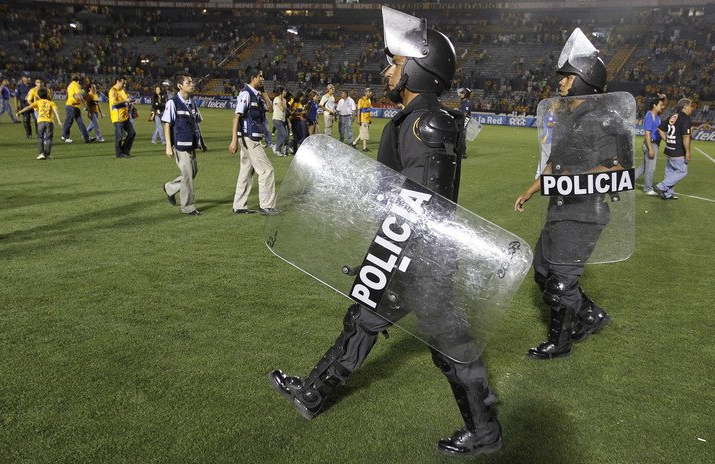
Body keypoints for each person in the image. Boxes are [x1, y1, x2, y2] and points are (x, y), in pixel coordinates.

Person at [269, 8, 503, 457]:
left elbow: (423, 204)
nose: (387, 70)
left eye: (396, 62)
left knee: (451, 347)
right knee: (362, 321)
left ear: (418, 69)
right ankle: (313, 392)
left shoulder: (426, 123)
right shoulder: (415, 119)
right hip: (403, 252)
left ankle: (485, 429)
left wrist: (388, 254)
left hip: (421, 259)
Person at [514, 29, 625, 361]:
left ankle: (559, 343)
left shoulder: (603, 121)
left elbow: (617, 172)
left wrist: (576, 175)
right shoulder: (566, 119)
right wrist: (530, 190)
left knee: (560, 281)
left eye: (567, 77)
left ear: (584, 80)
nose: (560, 83)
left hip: (584, 213)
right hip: (560, 209)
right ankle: (591, 315)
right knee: (542, 270)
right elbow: (553, 166)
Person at [228, 69, 278, 215]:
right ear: (253, 77)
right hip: (249, 138)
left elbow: (269, 108)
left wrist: (264, 92)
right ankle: (266, 206)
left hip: (251, 137)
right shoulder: (246, 94)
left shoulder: (257, 95)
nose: (263, 79)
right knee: (267, 171)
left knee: (246, 172)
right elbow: (236, 117)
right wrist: (234, 141)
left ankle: (239, 206)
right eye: (260, 76)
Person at [162, 74, 204, 216]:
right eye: (188, 82)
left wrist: (201, 142)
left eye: (192, 81)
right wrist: (168, 146)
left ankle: (170, 188)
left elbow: (197, 122)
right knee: (187, 175)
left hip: (191, 143)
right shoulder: (172, 103)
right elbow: (167, 124)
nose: (192, 84)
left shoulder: (192, 102)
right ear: (180, 86)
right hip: (180, 145)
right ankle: (188, 207)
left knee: (192, 173)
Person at [655, 98, 694, 200]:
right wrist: (688, 152)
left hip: (669, 149)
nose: (692, 109)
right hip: (678, 151)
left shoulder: (673, 116)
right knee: (682, 171)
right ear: (685, 107)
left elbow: (660, 129)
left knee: (670, 171)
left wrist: (667, 140)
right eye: (691, 106)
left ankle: (667, 194)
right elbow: (686, 137)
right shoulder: (685, 119)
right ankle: (662, 186)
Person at [17, 87, 62, 160]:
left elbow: (28, 107)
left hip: (40, 122)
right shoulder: (51, 103)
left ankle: (41, 154)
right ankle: (47, 155)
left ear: (38, 96)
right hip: (49, 122)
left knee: (40, 138)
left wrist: (20, 112)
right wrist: (59, 121)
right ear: (47, 95)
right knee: (49, 139)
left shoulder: (37, 102)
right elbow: (56, 111)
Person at [634, 94, 666, 195]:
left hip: (654, 144)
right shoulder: (649, 116)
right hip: (650, 144)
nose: (662, 107)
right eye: (660, 105)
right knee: (650, 168)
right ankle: (648, 189)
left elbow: (664, 104)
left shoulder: (656, 116)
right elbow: (647, 133)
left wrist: (663, 98)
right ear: (654, 105)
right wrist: (650, 149)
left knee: (643, 168)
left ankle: (627, 180)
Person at [61, 73, 93, 143]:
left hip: (73, 106)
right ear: (78, 80)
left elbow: (73, 95)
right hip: (72, 106)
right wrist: (85, 105)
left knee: (80, 122)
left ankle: (86, 138)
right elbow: (78, 96)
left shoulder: (70, 85)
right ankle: (64, 136)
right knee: (69, 121)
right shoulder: (76, 85)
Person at [109, 77, 136, 158]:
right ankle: (119, 153)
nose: (124, 84)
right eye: (123, 83)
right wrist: (125, 101)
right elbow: (114, 104)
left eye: (124, 83)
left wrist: (130, 102)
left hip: (125, 116)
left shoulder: (122, 91)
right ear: (118, 81)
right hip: (117, 117)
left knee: (132, 133)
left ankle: (125, 151)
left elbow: (125, 102)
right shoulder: (113, 90)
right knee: (119, 136)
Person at [14, 73, 36, 138]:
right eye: (27, 77)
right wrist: (16, 106)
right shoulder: (19, 86)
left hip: (34, 105)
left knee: (37, 120)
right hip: (24, 106)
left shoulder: (33, 85)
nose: (28, 78)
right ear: (23, 78)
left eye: (29, 77)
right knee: (26, 120)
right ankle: (29, 134)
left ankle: (39, 133)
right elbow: (16, 97)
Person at [272, 87, 290, 157]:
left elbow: (285, 109)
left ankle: (278, 151)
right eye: (284, 91)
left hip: (282, 119)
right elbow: (282, 108)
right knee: (284, 135)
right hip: (277, 119)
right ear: (281, 92)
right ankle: (276, 148)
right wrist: (285, 107)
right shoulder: (277, 99)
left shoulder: (284, 100)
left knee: (280, 135)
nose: (285, 93)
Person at [353, 87, 373, 152]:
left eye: (370, 92)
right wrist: (358, 120)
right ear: (365, 93)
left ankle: (354, 143)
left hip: (367, 119)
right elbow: (359, 111)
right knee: (365, 133)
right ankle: (364, 148)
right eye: (369, 92)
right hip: (363, 119)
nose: (370, 93)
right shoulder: (361, 100)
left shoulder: (369, 100)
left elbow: (368, 111)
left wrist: (369, 119)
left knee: (362, 133)